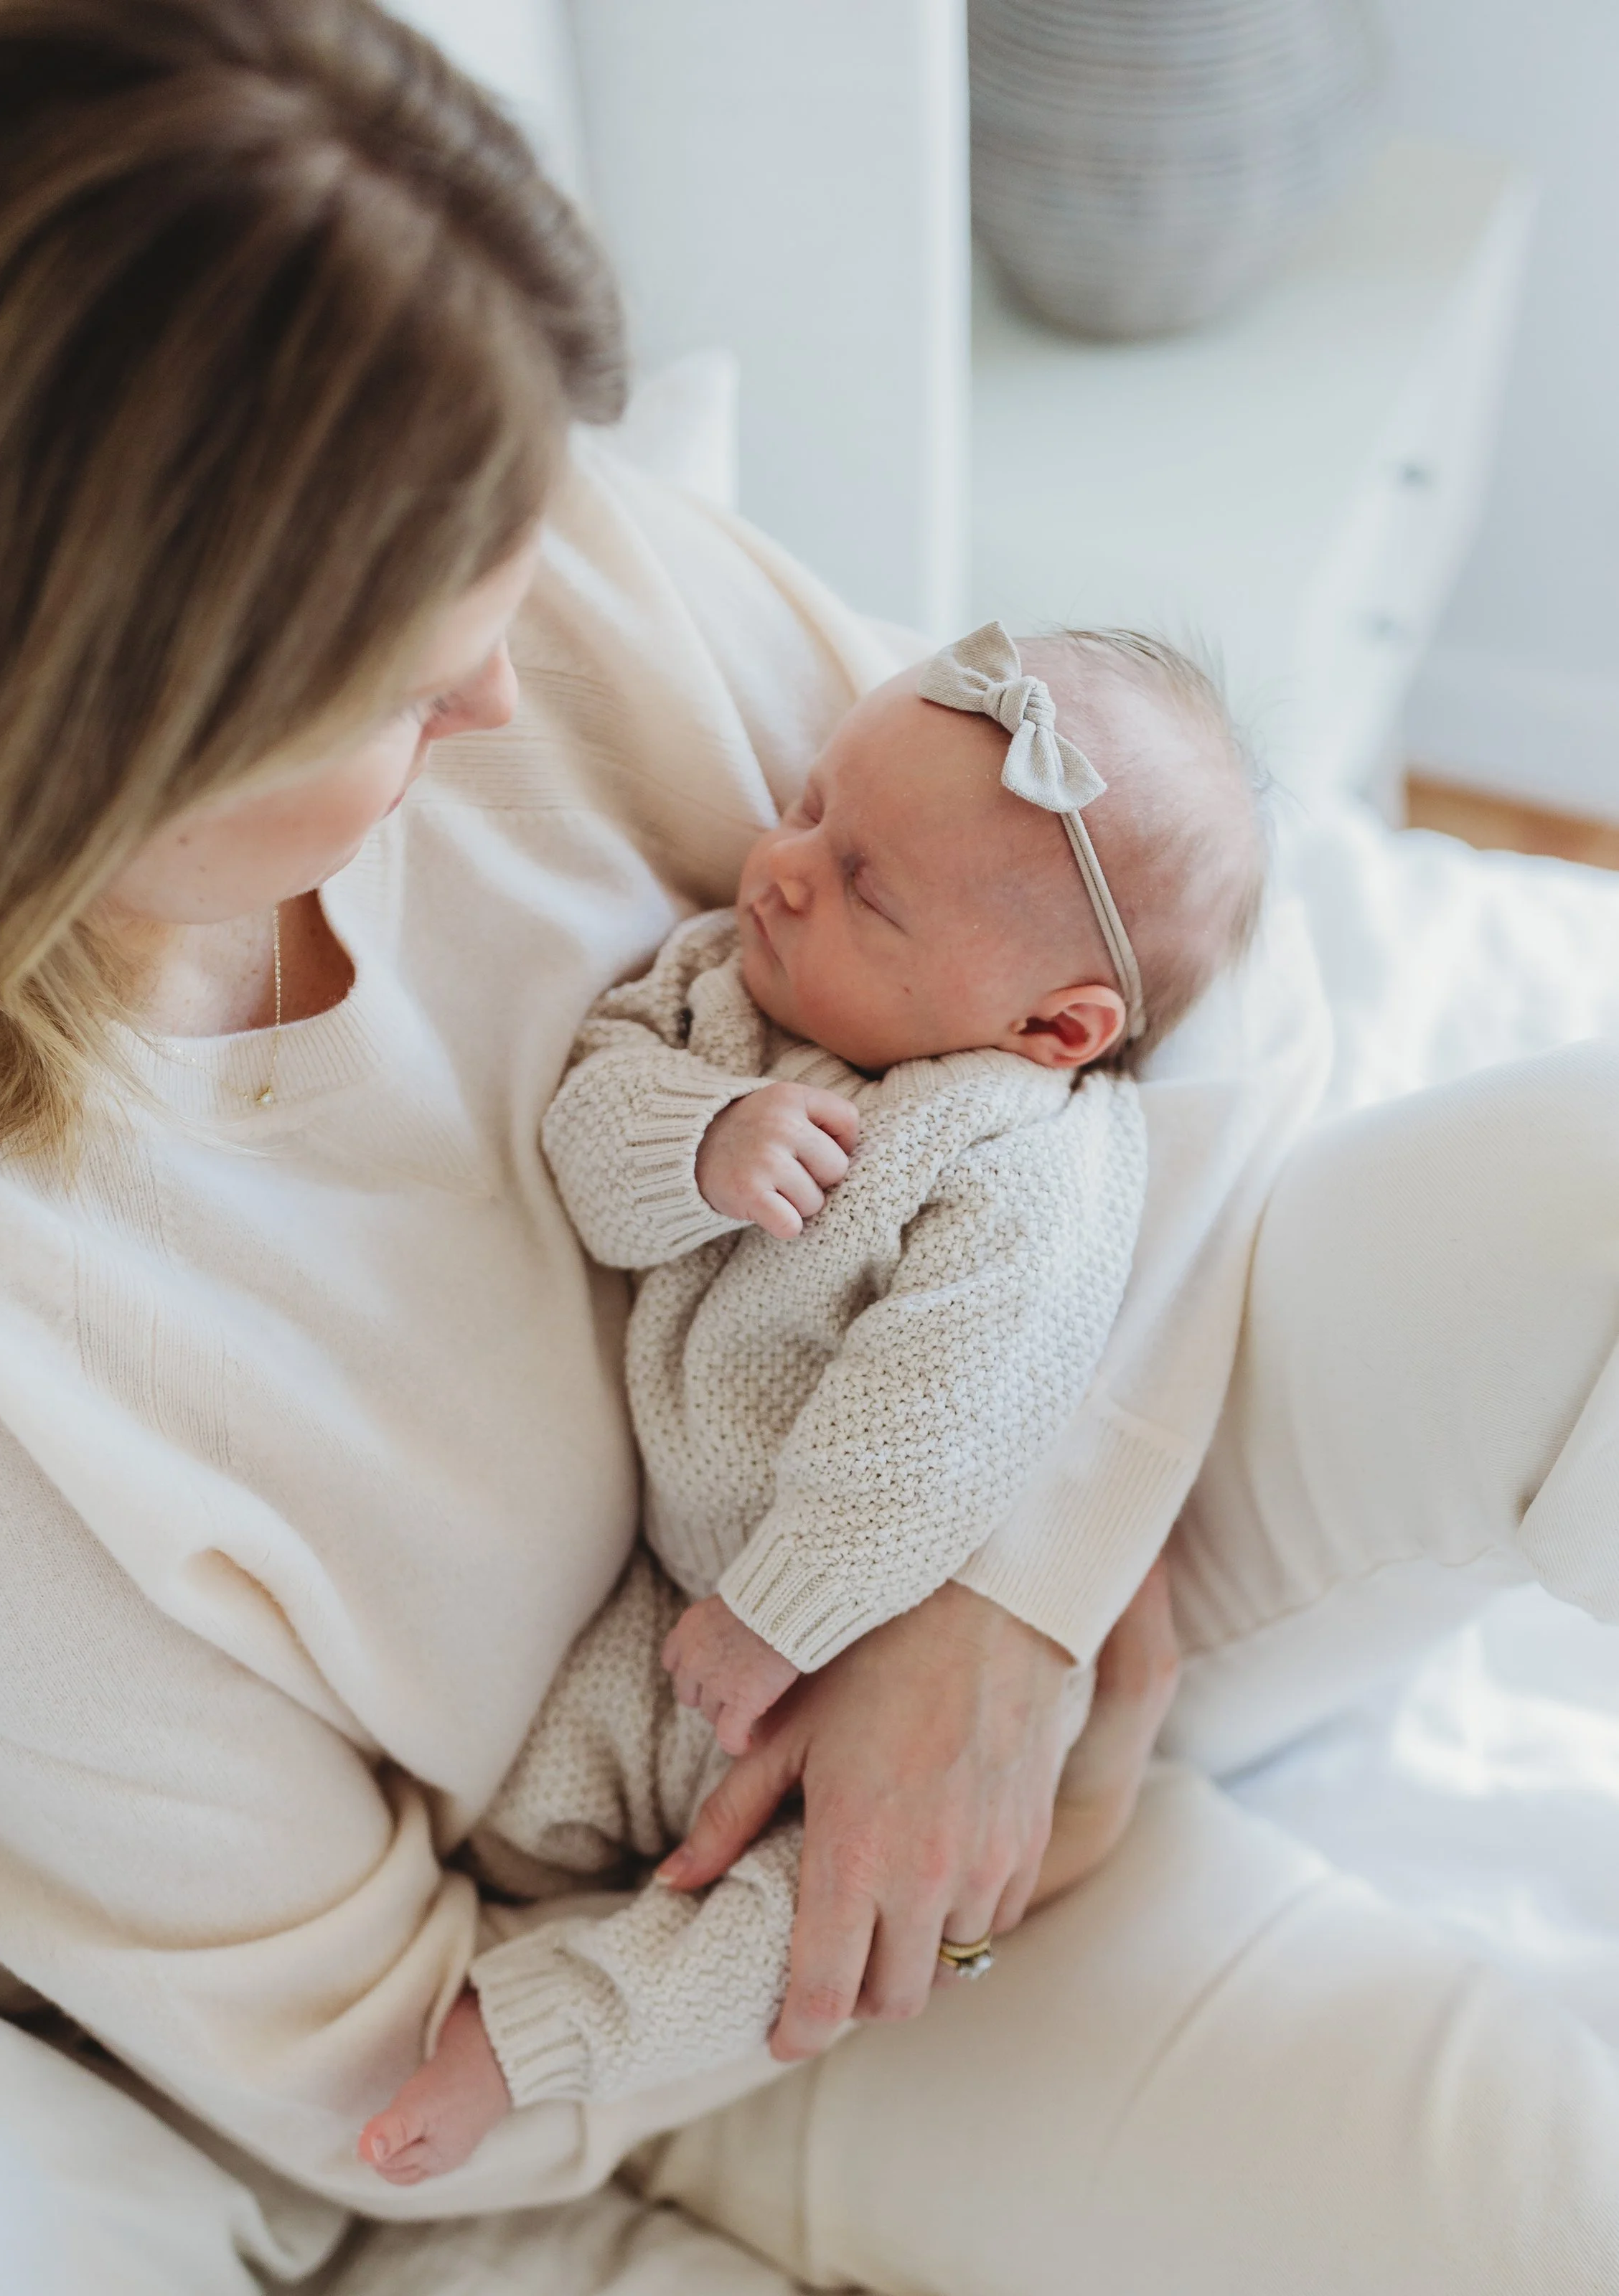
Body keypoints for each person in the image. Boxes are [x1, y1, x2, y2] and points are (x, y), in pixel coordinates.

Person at [0, 8, 1616, 2296]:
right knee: (1544, 2257)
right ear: (103, 730)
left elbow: (1171, 951)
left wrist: (1006, 1595)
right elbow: (369, 2066)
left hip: (1061, 1448)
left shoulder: (503, 532)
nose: (496, 688)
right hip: (744, 1940)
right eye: (400, 685)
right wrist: (973, 1841)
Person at [361, 622, 1264, 2173]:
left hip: (867, 1630)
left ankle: (537, 2037)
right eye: (807, 806)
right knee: (526, 1781)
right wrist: (700, 1144)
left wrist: (789, 1609)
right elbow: (587, 1127)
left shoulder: (1018, 1155)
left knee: (802, 1912)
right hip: (678, 1599)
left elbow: (939, 1416)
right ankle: (494, 1899)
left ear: (1052, 1027)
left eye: (867, 889)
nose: (782, 872)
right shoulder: (719, 990)